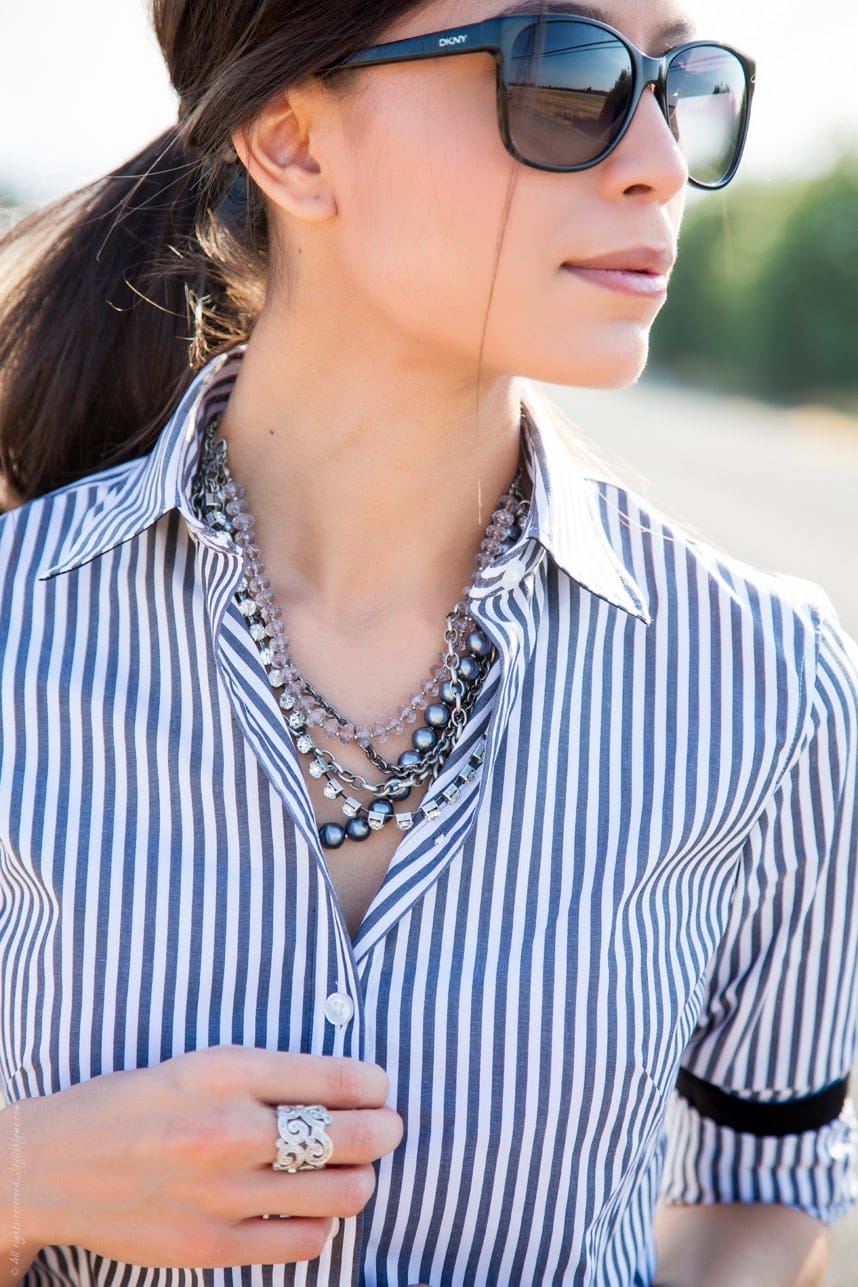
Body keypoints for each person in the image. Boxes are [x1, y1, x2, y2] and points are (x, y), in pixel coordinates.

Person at [0, 0, 856, 1283]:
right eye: (568, 78)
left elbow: (764, 1181)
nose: (661, 162)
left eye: (679, 85)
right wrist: (30, 1175)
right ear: (291, 142)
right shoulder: (21, 632)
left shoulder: (771, 687)